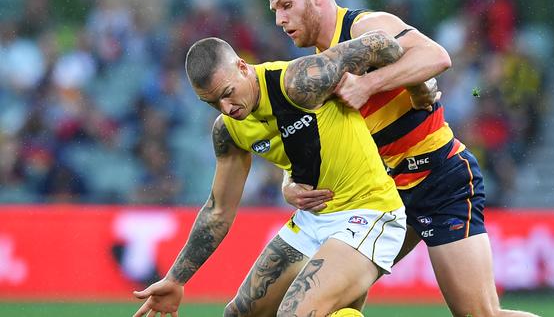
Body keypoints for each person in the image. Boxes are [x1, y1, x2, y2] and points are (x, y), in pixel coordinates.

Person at [267, 0, 538, 317]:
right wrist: (290, 182)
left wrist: (369, 84)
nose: (279, 20)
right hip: (385, 196)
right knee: (330, 302)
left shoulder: (365, 26)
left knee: (480, 314)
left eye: (285, 5)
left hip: (440, 179)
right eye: (274, 11)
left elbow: (436, 56)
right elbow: (307, 140)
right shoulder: (317, 70)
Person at [132, 31, 407, 317]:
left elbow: (378, 43)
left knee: (294, 313)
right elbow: (218, 212)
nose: (226, 108)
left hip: (369, 213)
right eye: (212, 103)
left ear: (242, 67)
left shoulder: (298, 81)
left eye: (227, 94)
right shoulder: (228, 130)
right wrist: (176, 280)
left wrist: (417, 86)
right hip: (310, 222)